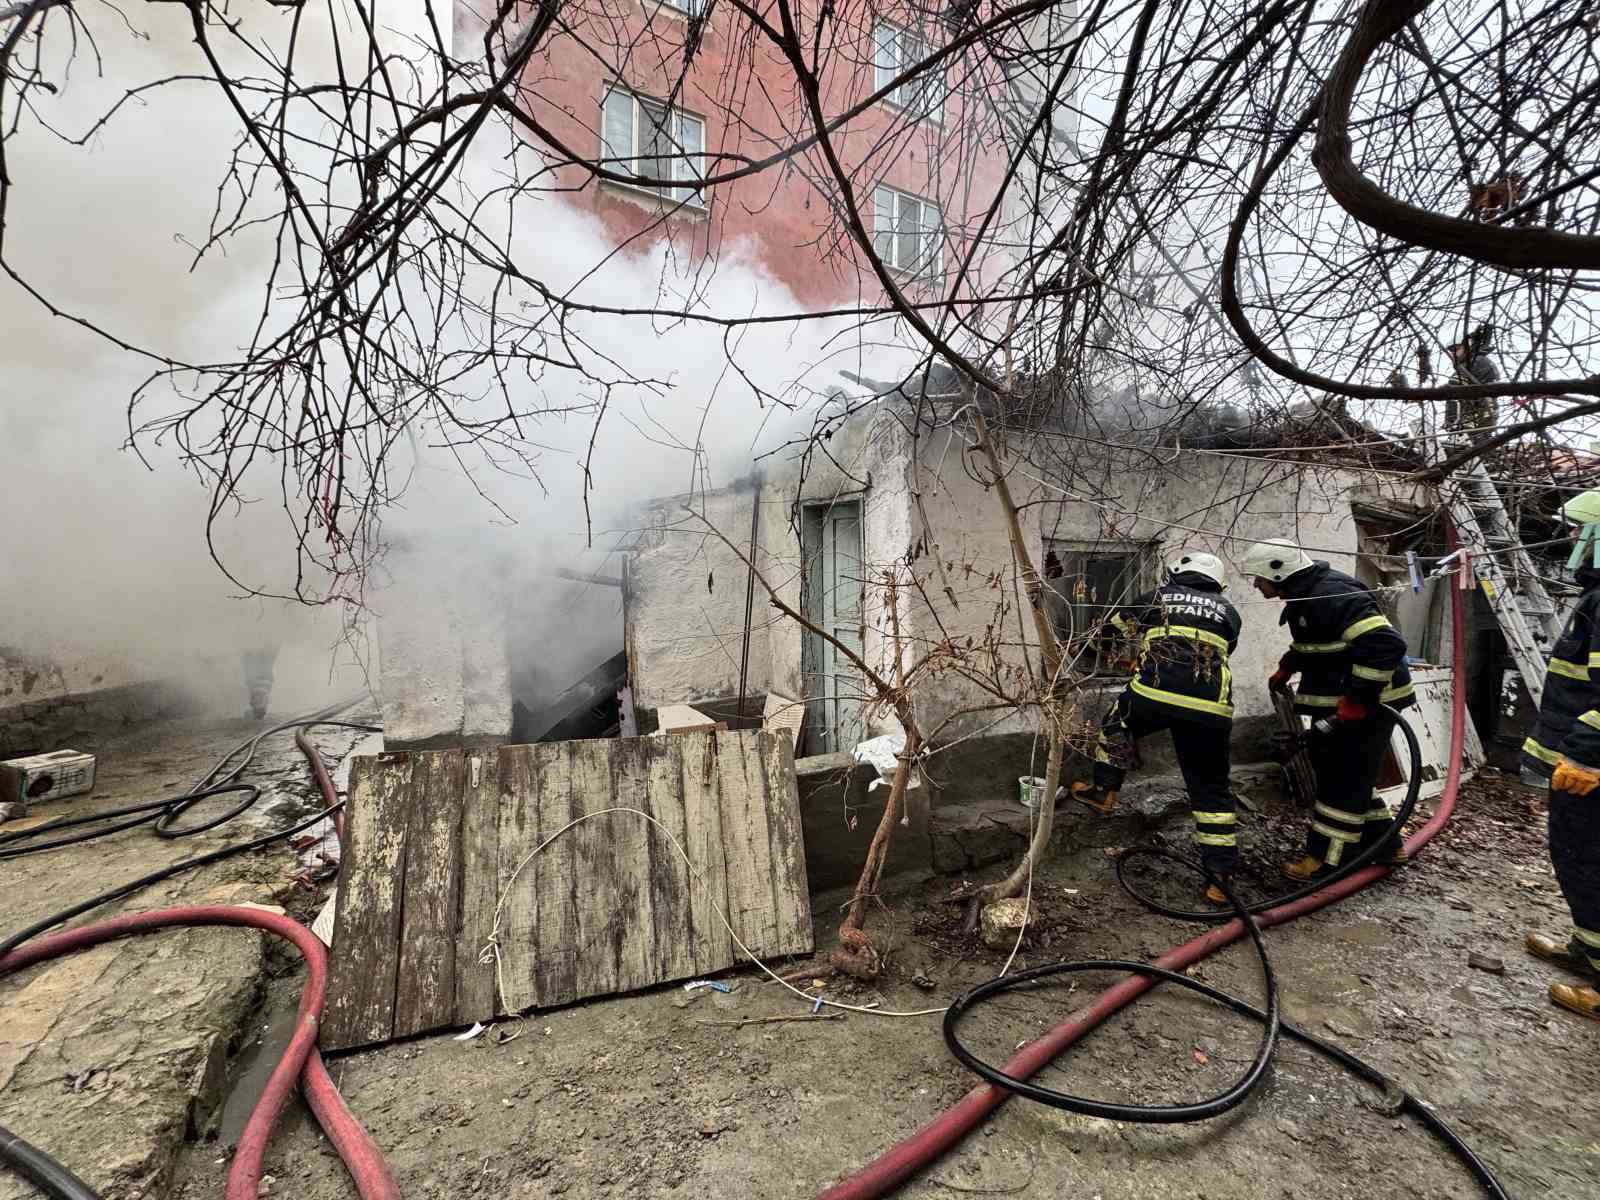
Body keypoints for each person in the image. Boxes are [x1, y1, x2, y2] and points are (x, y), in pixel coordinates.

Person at [1071, 551, 1243, 903]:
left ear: (1175, 574)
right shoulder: (1229, 612)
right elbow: (1215, 653)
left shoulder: (1157, 597)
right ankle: (1220, 878)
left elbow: (1107, 635)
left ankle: (1104, 792)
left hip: (1155, 693)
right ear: (1217, 584)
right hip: (1211, 708)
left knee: (1116, 723)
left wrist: (1087, 653)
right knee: (1211, 787)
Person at [1239, 538, 1414, 882]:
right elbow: (1320, 640)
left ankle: (1329, 860)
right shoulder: (1308, 594)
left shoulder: (1332, 595)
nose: (1256, 585)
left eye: (1259, 578)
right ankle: (1385, 845)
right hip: (1352, 700)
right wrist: (1289, 665)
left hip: (1372, 703)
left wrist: (1357, 700)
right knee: (1352, 775)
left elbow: (1385, 645)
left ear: (1279, 571)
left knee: (1341, 777)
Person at [1521, 487, 1600, 1021]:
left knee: (1592, 861)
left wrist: (1587, 754)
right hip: (1581, 763)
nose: (1572, 539)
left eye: (1579, 531)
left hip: (1590, 767)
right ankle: (1590, 951)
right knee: (1579, 860)